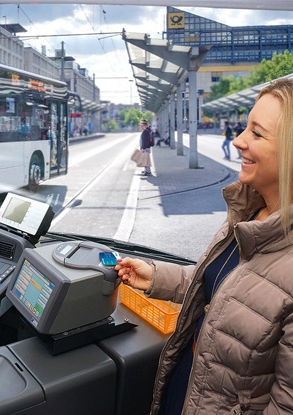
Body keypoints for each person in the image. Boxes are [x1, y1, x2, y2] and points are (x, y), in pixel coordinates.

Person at [115, 78, 293, 414]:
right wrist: (155, 277)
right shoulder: (249, 212)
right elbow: (223, 289)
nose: (239, 141)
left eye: (256, 133)